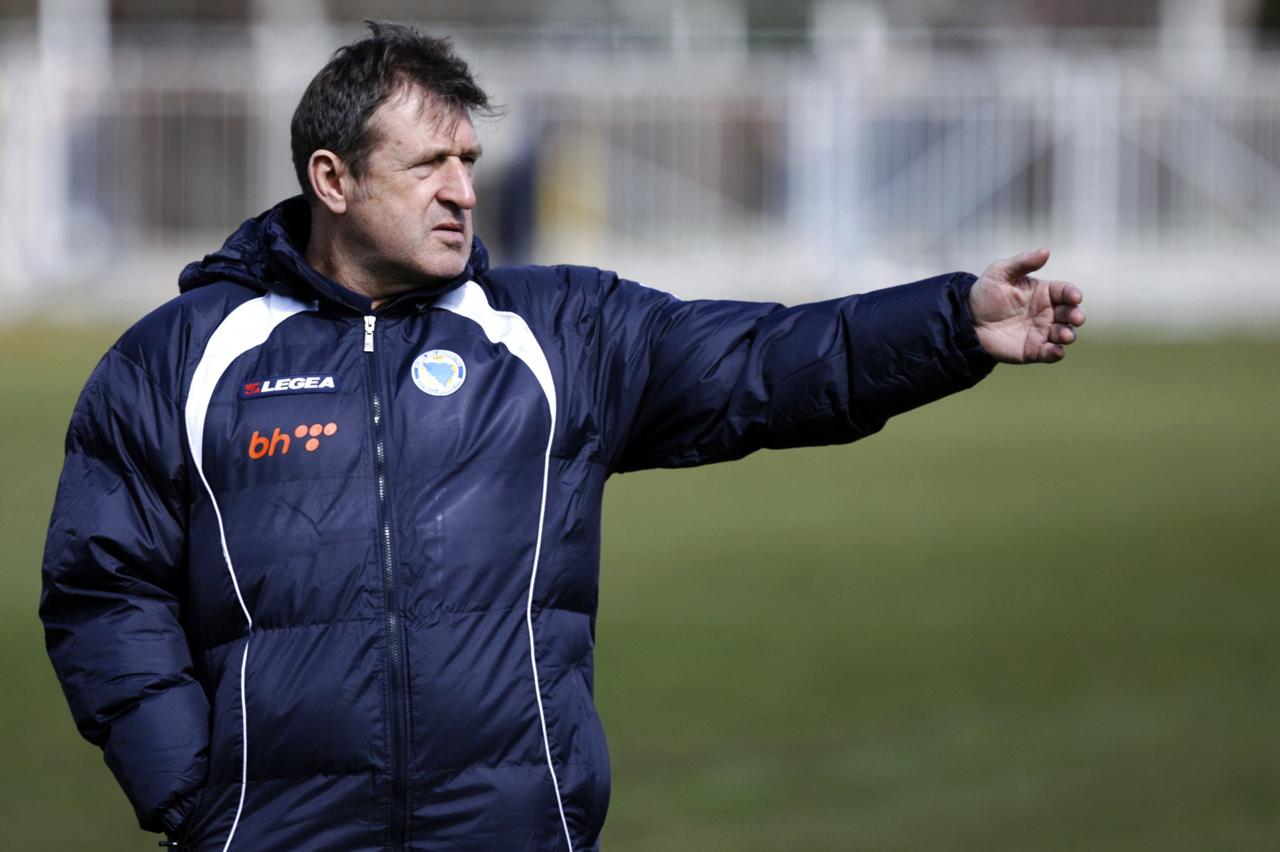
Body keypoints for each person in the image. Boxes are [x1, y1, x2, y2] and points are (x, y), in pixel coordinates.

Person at [40, 21, 1085, 852]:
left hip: (513, 828)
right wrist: (192, 792)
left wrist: (953, 322)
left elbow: (768, 361)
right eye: (428, 164)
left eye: (468, 159)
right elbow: (102, 587)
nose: (463, 190)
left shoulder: (562, 333)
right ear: (332, 179)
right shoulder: (180, 358)